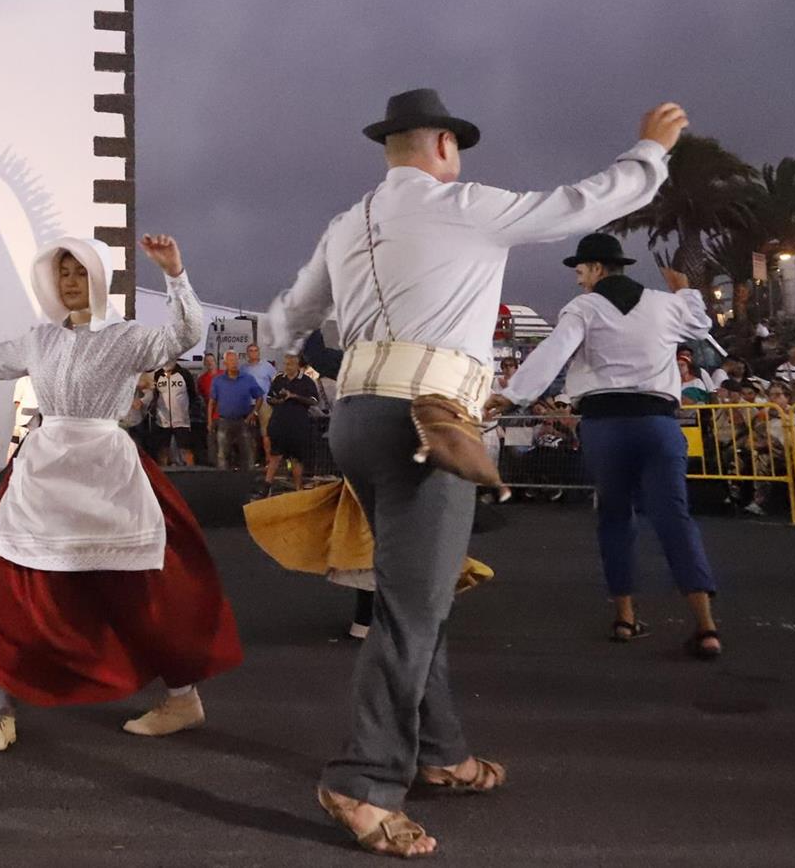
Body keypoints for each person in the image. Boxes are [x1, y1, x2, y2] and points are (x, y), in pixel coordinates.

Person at [263, 89, 684, 856]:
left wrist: (283, 341)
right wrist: (650, 150)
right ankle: (360, 780)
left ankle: (441, 752)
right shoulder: (464, 206)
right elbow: (585, 201)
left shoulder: (346, 222)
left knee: (413, 593)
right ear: (445, 148)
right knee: (412, 608)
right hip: (427, 421)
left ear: (388, 149)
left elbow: (288, 315)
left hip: (356, 418)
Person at [0, 234, 241, 753]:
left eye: (79, 272)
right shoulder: (41, 339)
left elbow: (186, 332)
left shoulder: (128, 337)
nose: (70, 282)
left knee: (142, 590)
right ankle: (2, 711)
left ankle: (182, 699)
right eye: (63, 273)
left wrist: (175, 274)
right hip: (44, 471)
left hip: (108, 470)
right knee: (13, 584)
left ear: (98, 278)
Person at [496, 234, 722, 657]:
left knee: (615, 518)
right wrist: (684, 290)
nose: (579, 281)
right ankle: (706, 627)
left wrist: (512, 395)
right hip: (657, 422)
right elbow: (702, 326)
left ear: (598, 269)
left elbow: (554, 352)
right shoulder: (664, 304)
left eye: (581, 272)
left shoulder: (584, 307)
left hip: (605, 425)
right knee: (674, 517)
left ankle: (625, 618)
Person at [265, 351, 323, 494]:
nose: (288, 366)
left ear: (298, 364)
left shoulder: (307, 381)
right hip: (279, 424)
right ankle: (266, 487)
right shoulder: (279, 379)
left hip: (298, 425)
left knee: (296, 458)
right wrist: (278, 400)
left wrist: (294, 396)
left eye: (291, 363)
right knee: (275, 456)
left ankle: (298, 489)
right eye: (286, 363)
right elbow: (268, 398)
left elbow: (314, 401)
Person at [207, 351, 265, 473]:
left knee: (247, 453)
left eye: (235, 361)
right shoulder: (218, 381)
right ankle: (224, 483)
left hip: (243, 421)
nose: (234, 364)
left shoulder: (248, 379)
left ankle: (248, 482)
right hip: (224, 421)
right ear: (225, 363)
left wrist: (253, 413)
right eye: (231, 361)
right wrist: (210, 421)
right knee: (223, 454)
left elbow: (259, 397)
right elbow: (212, 402)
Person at [148, 358, 200, 467]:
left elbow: (193, 395)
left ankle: (192, 475)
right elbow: (154, 395)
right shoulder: (158, 375)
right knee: (162, 450)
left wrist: (189, 411)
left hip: (181, 420)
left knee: (186, 450)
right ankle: (163, 477)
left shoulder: (184, 374)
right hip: (162, 420)